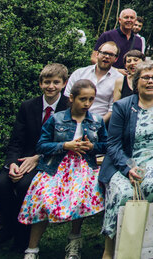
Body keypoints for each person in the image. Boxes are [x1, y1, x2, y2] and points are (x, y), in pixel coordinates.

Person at [18, 79, 106, 259]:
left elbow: (106, 145)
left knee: (80, 195)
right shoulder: (56, 119)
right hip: (55, 166)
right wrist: (65, 145)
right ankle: (32, 248)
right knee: (42, 196)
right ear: (72, 98)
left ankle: (74, 240)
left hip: (83, 167)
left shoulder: (96, 120)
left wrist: (92, 147)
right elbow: (41, 146)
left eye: (91, 99)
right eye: (83, 99)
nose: (87, 104)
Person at [99, 61, 153, 259]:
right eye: (146, 77)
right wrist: (127, 168)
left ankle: (146, 248)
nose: (151, 81)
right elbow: (113, 144)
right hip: (126, 160)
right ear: (135, 82)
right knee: (122, 193)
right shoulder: (123, 106)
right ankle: (110, 248)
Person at [0, 64, 71, 252]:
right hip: (23, 158)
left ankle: (21, 236)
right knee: (0, 185)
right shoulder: (28, 106)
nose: (50, 86)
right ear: (40, 84)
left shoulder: (68, 106)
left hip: (52, 158)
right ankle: (11, 225)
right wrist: (12, 163)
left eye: (55, 82)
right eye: (46, 82)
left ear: (64, 84)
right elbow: (16, 141)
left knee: (24, 186)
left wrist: (38, 157)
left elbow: (68, 142)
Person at [65, 41, 124, 122]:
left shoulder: (119, 79)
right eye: (104, 53)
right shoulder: (79, 73)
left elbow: (112, 109)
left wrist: (97, 126)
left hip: (100, 122)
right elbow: (68, 97)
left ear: (116, 59)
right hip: (74, 119)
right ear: (97, 54)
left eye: (111, 55)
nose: (107, 56)